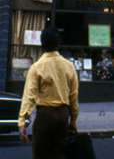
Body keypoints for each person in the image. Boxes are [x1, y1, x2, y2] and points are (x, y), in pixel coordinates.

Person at [18, 27, 79, 159]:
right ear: (58, 44)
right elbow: (73, 96)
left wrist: (22, 120)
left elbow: (30, 96)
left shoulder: (37, 67)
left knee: (41, 154)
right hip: (63, 116)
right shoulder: (69, 66)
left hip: (45, 116)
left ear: (42, 45)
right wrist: (73, 120)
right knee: (58, 155)